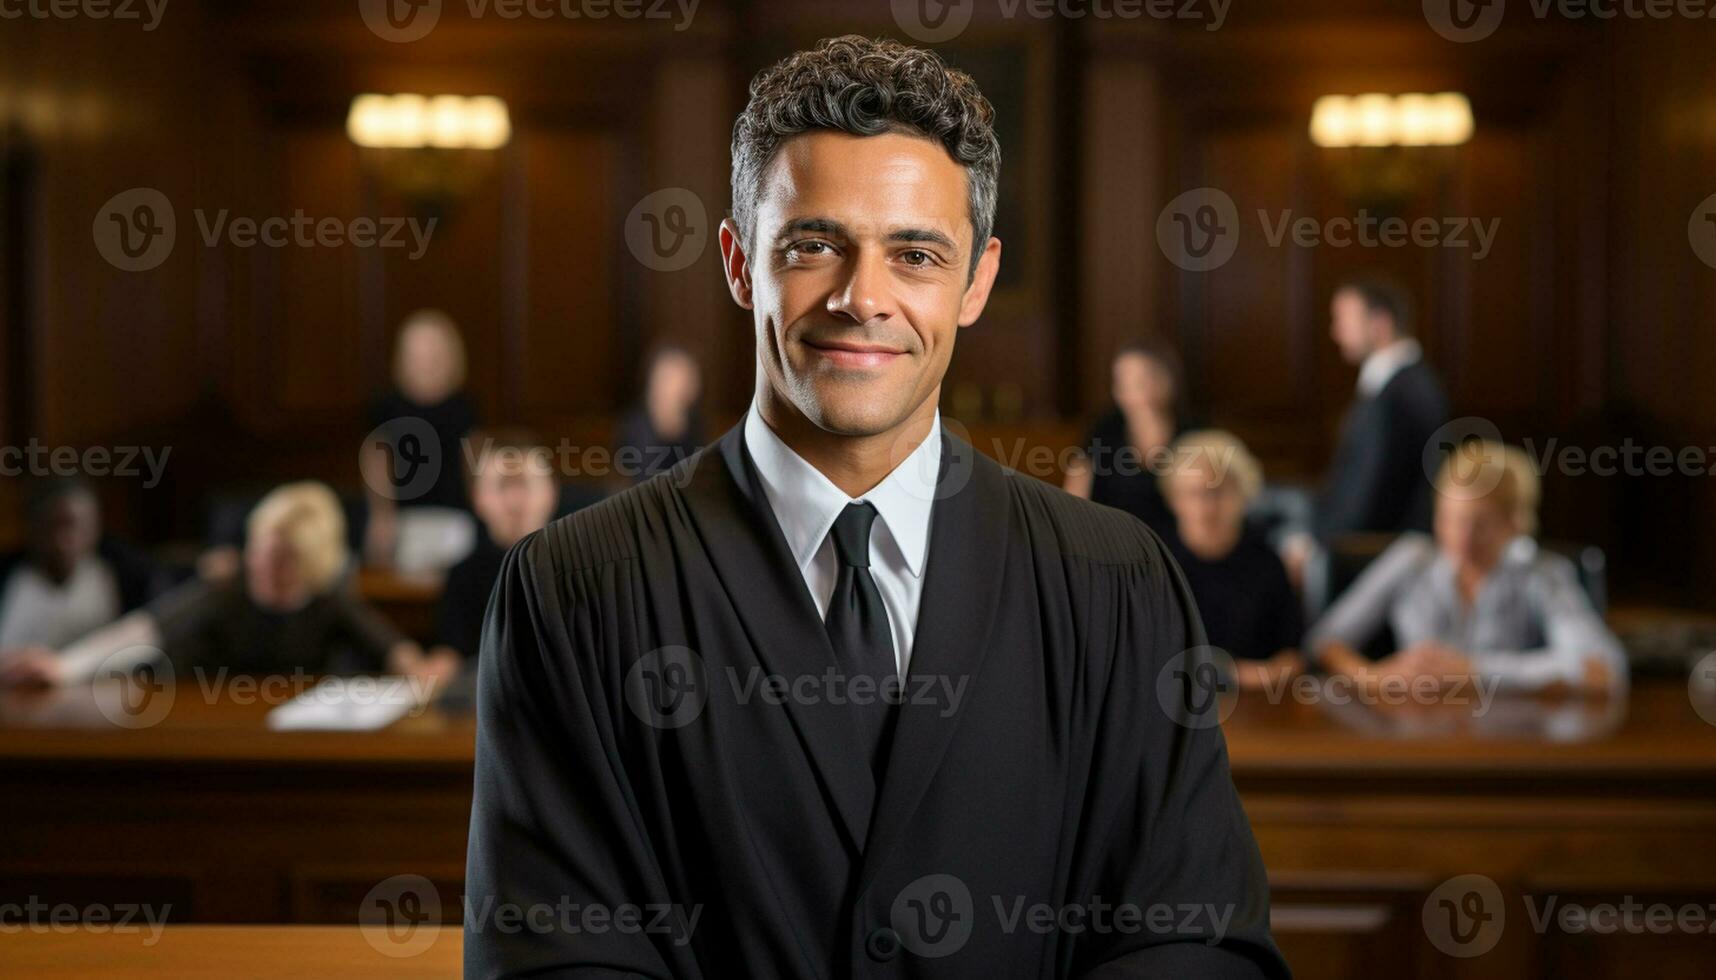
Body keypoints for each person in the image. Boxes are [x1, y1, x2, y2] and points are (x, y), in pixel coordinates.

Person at [465, 36, 1284, 978]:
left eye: (916, 254)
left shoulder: (1116, 580)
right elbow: (553, 961)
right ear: (738, 263)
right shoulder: (571, 592)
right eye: (814, 245)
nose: (863, 298)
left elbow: (1195, 939)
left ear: (975, 281)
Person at [0, 482, 447, 688]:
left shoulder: (328, 599)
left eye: (284, 561)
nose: (264, 567)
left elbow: (396, 652)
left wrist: (427, 670)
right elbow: (140, 632)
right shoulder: (225, 592)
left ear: (310, 565)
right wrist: (63, 667)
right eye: (260, 551)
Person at [1308, 441, 1626, 695]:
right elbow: (1323, 642)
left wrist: (1474, 671)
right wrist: (1373, 678)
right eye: (1451, 519)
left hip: (1508, 741)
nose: (1461, 538)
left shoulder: (1543, 572)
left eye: (1480, 525)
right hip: (1414, 734)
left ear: (1516, 523)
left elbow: (1600, 669)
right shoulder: (1412, 558)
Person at [1161, 431, 1304, 689]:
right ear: (1175, 500)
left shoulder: (1267, 562)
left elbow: (1292, 654)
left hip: (1260, 707)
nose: (1207, 508)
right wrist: (1234, 674)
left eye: (1218, 492)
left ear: (1243, 494)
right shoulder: (1157, 566)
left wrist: (1270, 674)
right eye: (1193, 494)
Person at [1312, 277, 1450, 539]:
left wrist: (1320, 544)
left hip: (1377, 550)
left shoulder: (1404, 394)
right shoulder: (1401, 384)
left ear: (1379, 323)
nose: (1336, 332)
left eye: (1344, 321)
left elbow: (1372, 490)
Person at [361, 309, 481, 571]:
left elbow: (472, 463)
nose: (425, 362)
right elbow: (376, 463)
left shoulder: (465, 407)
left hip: (455, 516)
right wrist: (382, 515)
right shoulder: (387, 406)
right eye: (417, 354)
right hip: (404, 519)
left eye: (433, 353)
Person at [432, 432, 560, 665]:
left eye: (526, 485)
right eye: (501, 487)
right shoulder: (464, 576)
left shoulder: (586, 568)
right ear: (477, 498)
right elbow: (450, 656)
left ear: (552, 493)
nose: (514, 502)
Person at [0, 478, 164, 656]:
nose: (62, 542)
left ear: (96, 524)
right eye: (51, 526)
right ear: (31, 525)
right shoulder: (10, 577)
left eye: (76, 526)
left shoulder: (128, 575)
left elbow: (149, 637)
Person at [1062, 340, 1186, 540]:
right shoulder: (1103, 430)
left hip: (1177, 551)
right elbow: (1073, 501)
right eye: (1124, 380)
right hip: (1111, 543)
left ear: (1168, 379)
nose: (1135, 389)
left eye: (1144, 379)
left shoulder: (1194, 432)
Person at [614, 343, 705, 482]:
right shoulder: (634, 429)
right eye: (666, 378)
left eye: (680, 380)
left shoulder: (695, 427)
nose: (672, 388)